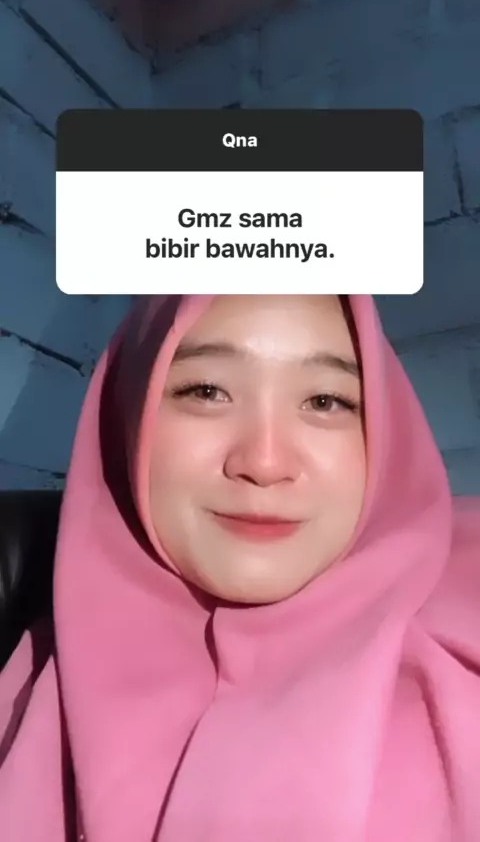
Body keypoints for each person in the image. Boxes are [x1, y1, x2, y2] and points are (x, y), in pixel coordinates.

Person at [0, 294, 479, 842]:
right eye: (206, 392)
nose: (265, 463)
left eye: (325, 401)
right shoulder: (29, 688)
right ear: (127, 419)